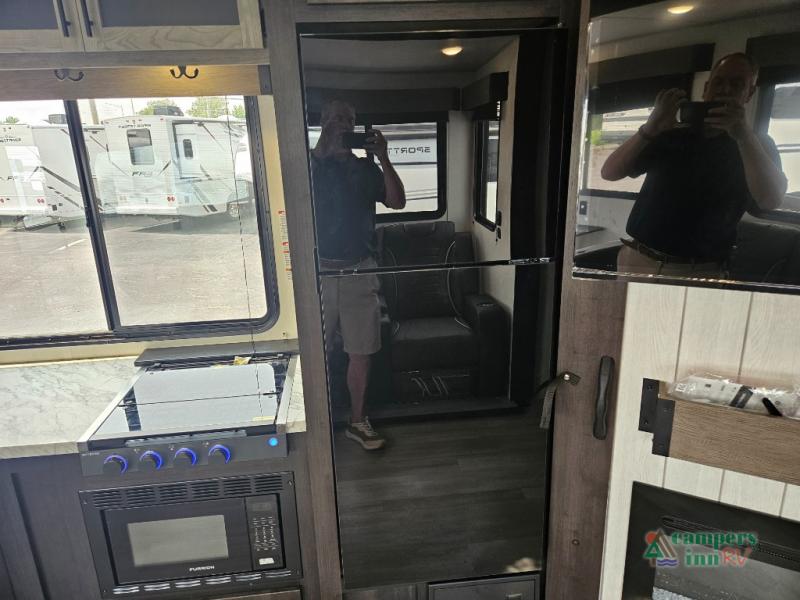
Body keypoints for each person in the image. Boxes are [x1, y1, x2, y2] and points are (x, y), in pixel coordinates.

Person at [601, 53, 788, 277]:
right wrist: (651, 127)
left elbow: (770, 201)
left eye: (737, 84)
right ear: (706, 88)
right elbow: (609, 172)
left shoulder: (757, 145)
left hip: (697, 269)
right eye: (718, 82)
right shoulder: (670, 133)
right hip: (636, 259)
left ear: (750, 93)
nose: (725, 89)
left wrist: (744, 136)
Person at [310, 100, 406, 450]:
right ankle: (317, 423)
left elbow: (397, 202)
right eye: (335, 118)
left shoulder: (365, 168)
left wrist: (383, 158)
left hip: (358, 272)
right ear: (322, 121)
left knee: (361, 351)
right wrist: (324, 148)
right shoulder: (307, 164)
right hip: (316, 275)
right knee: (314, 353)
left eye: (348, 119)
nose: (343, 124)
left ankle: (357, 421)